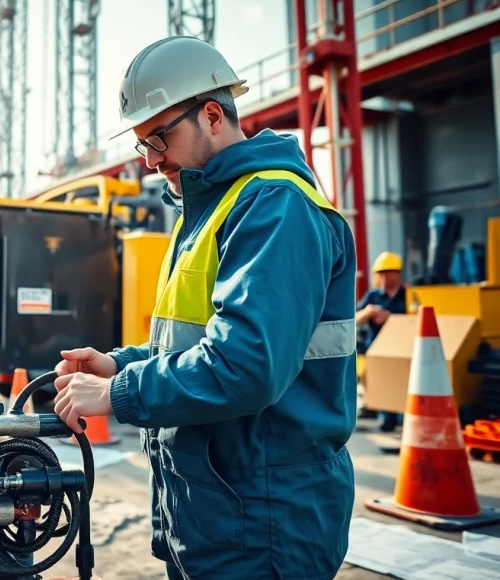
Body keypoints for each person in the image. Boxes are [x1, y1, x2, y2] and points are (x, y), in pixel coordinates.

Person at [51, 35, 357, 580]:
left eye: (159, 138)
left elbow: (245, 365)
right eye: (142, 146)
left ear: (212, 115)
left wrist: (119, 394)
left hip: (263, 523)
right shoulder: (206, 211)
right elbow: (194, 341)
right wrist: (120, 364)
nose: (151, 161)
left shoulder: (274, 206)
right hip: (213, 513)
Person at [356, 251, 408, 431]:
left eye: (388, 273)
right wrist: (367, 313)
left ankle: (403, 418)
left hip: (402, 348)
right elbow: (354, 318)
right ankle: (386, 418)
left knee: (402, 383)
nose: (384, 277)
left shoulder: (408, 295)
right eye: (381, 273)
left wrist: (391, 318)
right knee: (383, 384)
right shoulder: (373, 296)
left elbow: (415, 320)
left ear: (397, 274)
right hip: (376, 348)